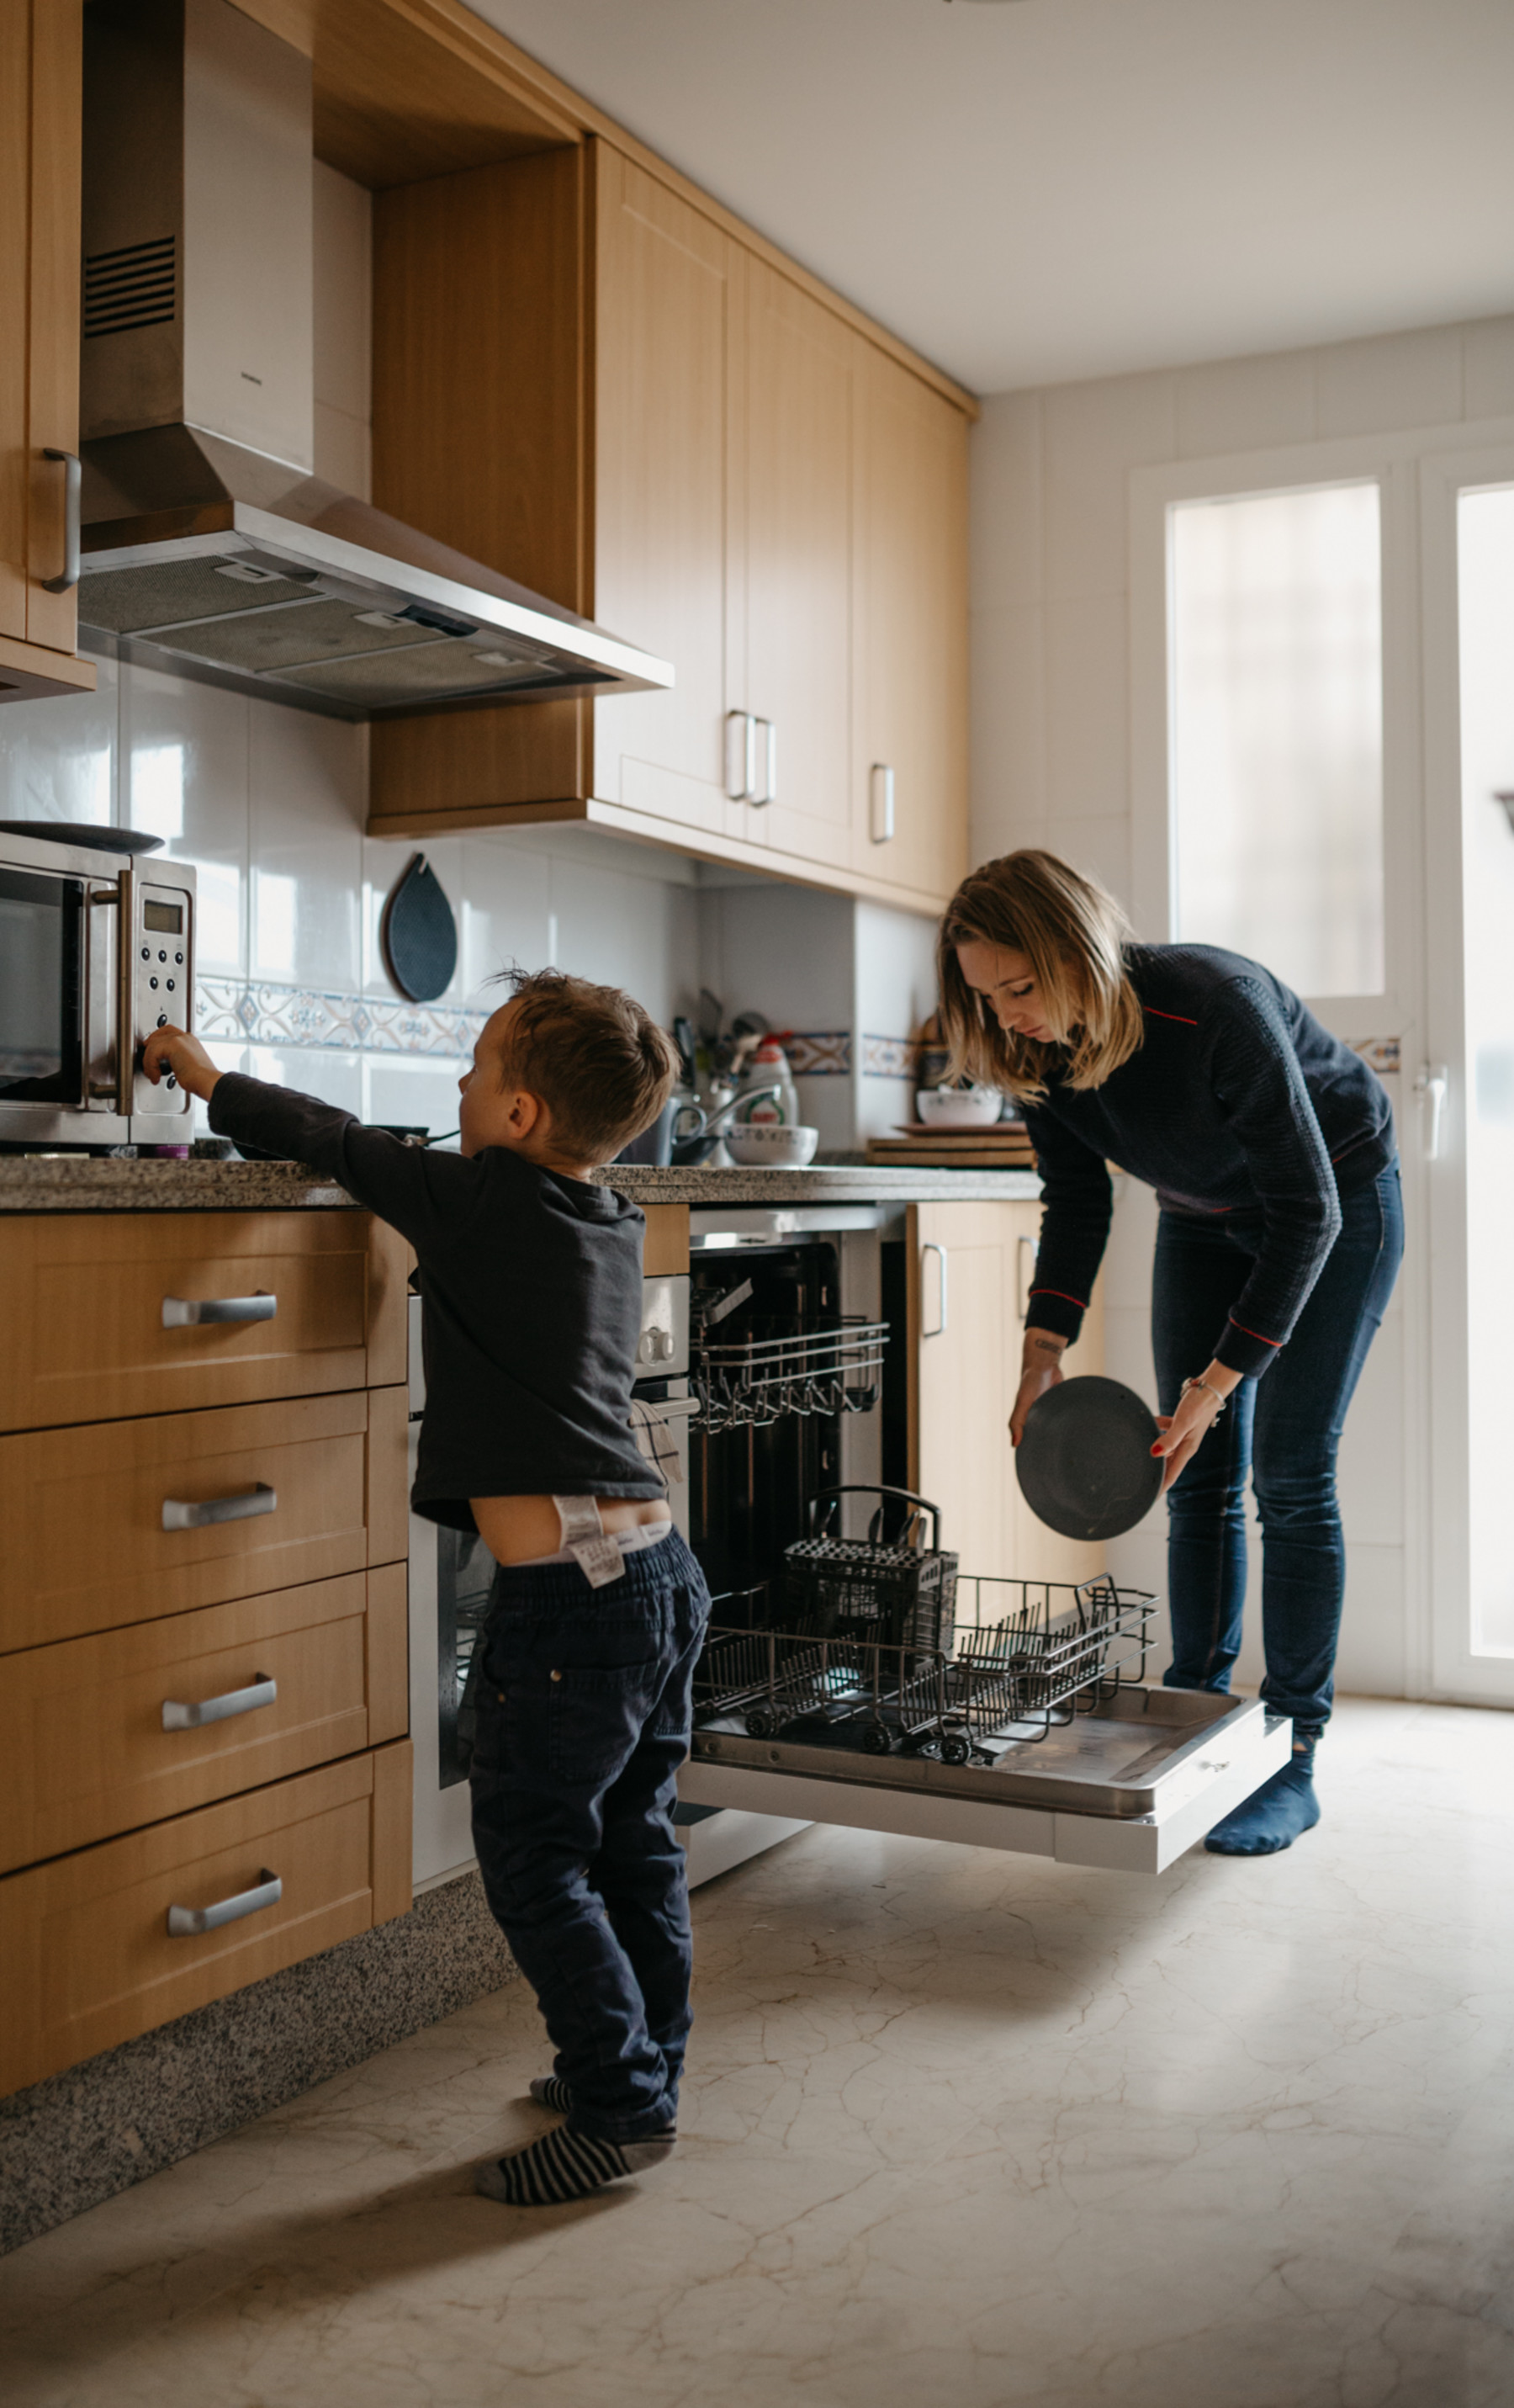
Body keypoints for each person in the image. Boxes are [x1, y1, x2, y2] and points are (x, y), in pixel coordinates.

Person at [146, 968, 712, 2205]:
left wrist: (204, 1076)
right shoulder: (605, 1213)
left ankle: (619, 2109)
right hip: (663, 1578)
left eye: (476, 1061)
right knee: (631, 1839)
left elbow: (334, 1142)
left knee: (533, 1855)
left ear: (516, 1119)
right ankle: (645, 2070)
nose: (456, 1079)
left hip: (572, 1599)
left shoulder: (480, 1203)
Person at [936, 851, 1402, 1856]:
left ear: (1080, 950)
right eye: (987, 995)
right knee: (1184, 1469)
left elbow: (1307, 1210)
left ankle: (1293, 1754)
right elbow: (1079, 1198)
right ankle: (1198, 1713)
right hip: (1200, 1216)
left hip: (1337, 1208)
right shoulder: (1037, 1053)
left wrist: (1218, 1380)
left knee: (1289, 1475)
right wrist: (1039, 1350)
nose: (1009, 1012)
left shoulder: (1212, 1002)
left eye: (1022, 986)